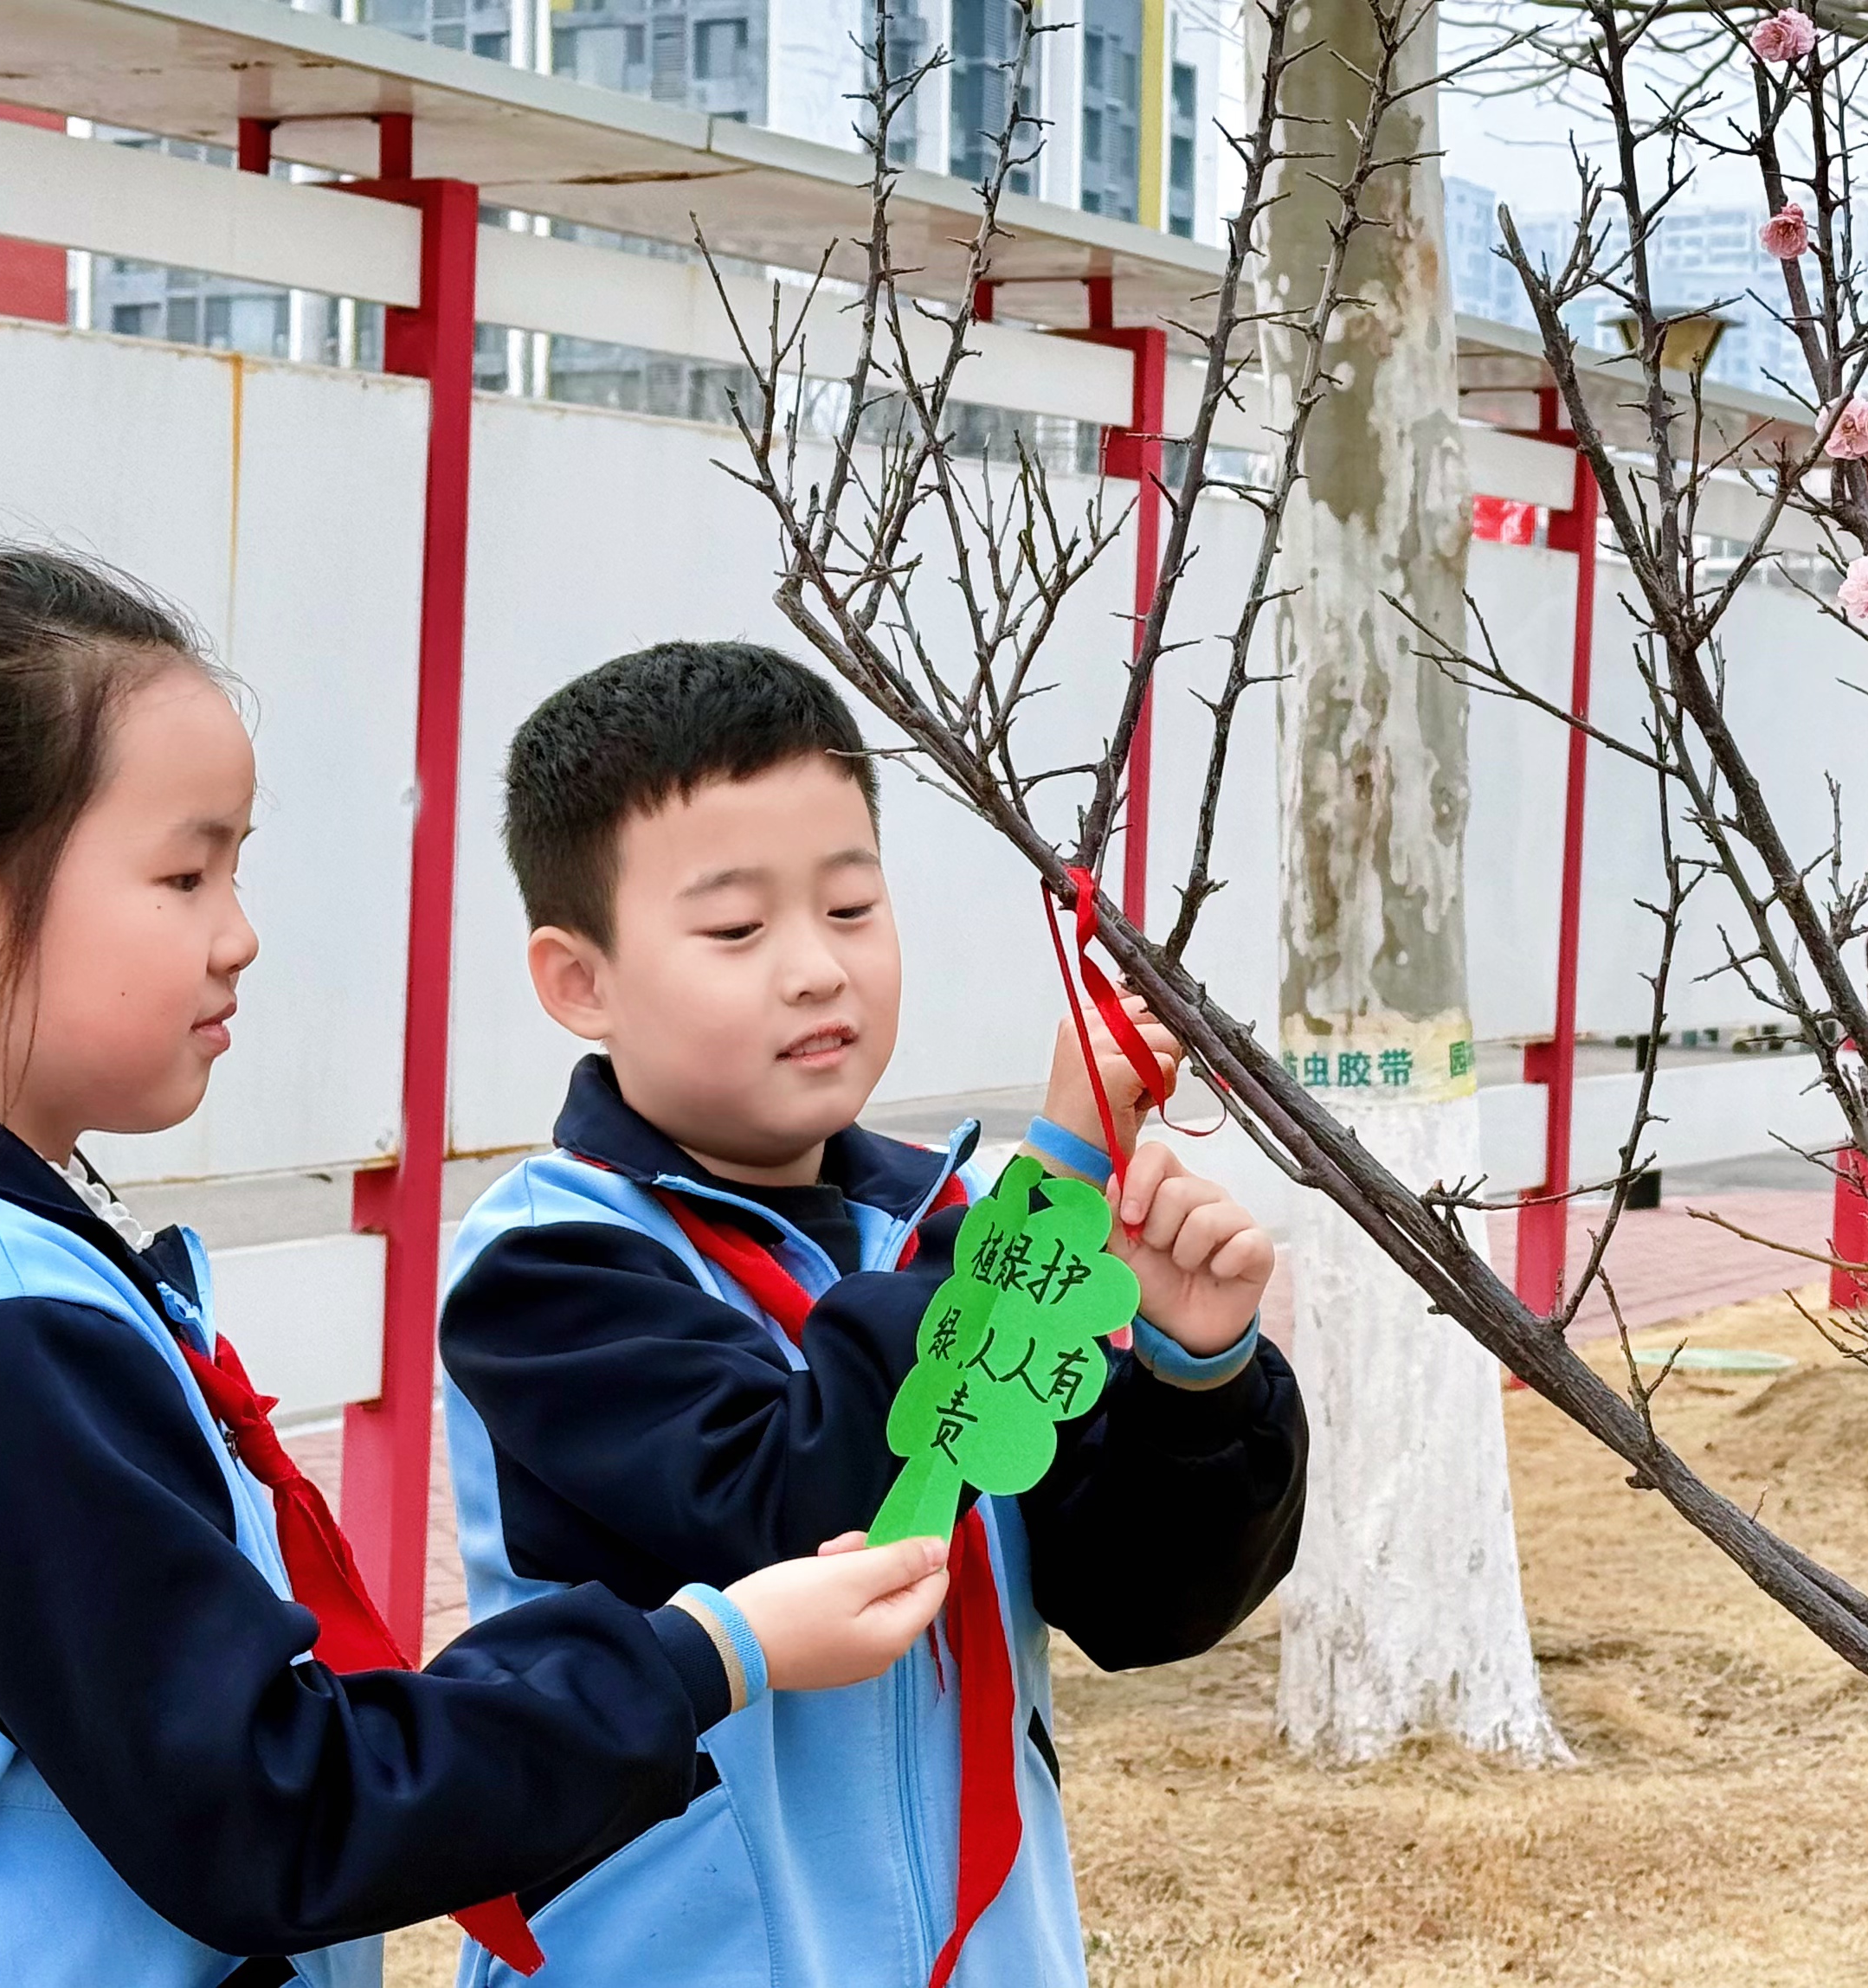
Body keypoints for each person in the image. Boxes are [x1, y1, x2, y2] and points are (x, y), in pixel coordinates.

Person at [0, 552, 950, 1988]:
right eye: (184, 875)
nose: (239, 935)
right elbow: (278, 1805)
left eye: (234, 870)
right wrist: (713, 1650)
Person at [438, 640, 1310, 1985]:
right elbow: (798, 1498)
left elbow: (1142, 1603)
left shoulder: (946, 1227)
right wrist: (1051, 1186)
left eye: (850, 907)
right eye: (736, 930)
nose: (815, 969)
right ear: (578, 980)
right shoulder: (547, 1267)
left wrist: (1196, 1377)